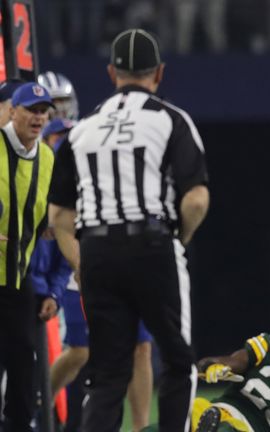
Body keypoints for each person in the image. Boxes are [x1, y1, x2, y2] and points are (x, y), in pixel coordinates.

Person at [48, 29, 209, 431]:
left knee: (107, 374)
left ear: (111, 72)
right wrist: (179, 239)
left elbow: (58, 216)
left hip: (98, 252)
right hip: (152, 243)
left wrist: (79, 260)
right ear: (158, 73)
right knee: (177, 361)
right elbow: (196, 201)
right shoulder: (171, 119)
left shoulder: (81, 130)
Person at [0, 82, 58, 431]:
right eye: (31, 110)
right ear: (12, 112)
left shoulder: (48, 159)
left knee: (24, 362)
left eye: (43, 111)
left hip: (18, 278)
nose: (38, 117)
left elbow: (55, 219)